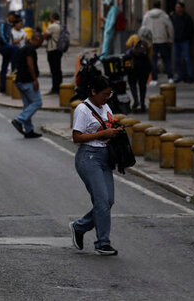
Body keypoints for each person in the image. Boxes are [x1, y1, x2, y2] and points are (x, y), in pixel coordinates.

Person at [68, 75, 124, 257]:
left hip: (105, 157)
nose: (107, 98)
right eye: (104, 94)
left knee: (108, 201)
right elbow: (77, 137)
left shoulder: (106, 106)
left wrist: (115, 131)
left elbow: (107, 125)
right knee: (101, 201)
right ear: (93, 92)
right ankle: (103, 242)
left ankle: (80, 226)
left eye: (110, 94)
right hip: (88, 157)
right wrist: (104, 133)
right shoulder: (82, 110)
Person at [11, 33, 45, 139]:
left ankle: (29, 130)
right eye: (40, 43)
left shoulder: (25, 47)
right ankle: (19, 120)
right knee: (37, 102)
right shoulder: (30, 49)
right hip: (27, 81)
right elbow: (30, 64)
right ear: (36, 40)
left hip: (20, 81)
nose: (40, 45)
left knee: (28, 105)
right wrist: (35, 80)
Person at [140, 1, 174, 86]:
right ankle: (170, 78)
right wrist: (170, 39)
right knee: (166, 59)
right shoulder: (164, 16)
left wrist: (144, 40)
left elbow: (143, 28)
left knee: (153, 60)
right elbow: (170, 28)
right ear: (160, 6)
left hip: (151, 41)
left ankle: (154, 79)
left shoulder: (147, 16)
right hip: (162, 40)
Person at [125, 29, 153, 112]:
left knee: (132, 83)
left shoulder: (133, 37)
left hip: (133, 65)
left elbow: (127, 45)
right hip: (144, 65)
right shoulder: (149, 43)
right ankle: (142, 103)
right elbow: (150, 56)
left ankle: (135, 100)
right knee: (142, 85)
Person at [171, 2, 194, 83]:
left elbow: (191, 29)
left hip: (184, 40)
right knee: (177, 59)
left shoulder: (187, 18)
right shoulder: (175, 18)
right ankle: (181, 75)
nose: (177, 9)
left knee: (187, 58)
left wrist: (188, 37)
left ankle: (190, 76)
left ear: (182, 8)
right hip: (177, 40)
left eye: (178, 7)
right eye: (176, 7)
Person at [0, 13, 19, 93]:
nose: (14, 19)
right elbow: (1, 36)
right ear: (9, 16)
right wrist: (8, 44)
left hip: (7, 47)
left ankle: (3, 87)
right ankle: (14, 68)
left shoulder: (10, 25)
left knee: (4, 65)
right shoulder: (2, 24)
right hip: (3, 46)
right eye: (13, 17)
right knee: (15, 49)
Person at [43, 12, 63, 95]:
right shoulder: (61, 26)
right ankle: (60, 86)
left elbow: (45, 35)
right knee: (58, 69)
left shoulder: (52, 26)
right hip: (60, 49)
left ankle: (55, 88)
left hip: (52, 49)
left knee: (54, 70)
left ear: (52, 18)